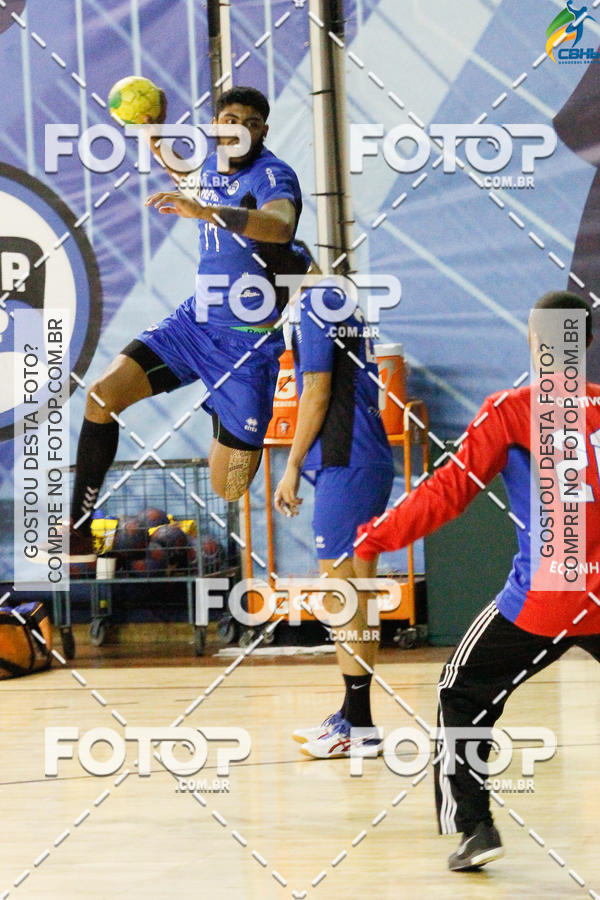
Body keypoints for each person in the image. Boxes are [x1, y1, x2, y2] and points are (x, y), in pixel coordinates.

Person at [354, 291, 600, 870]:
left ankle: (475, 829)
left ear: (534, 342)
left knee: (459, 691)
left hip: (544, 599)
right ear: (586, 343)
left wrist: (374, 537)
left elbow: (447, 493)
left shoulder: (511, 412)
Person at [66, 86, 310, 561]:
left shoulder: (273, 174)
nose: (239, 129)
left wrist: (207, 212)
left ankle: (228, 413)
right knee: (101, 397)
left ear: (263, 130)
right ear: (216, 126)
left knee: (228, 487)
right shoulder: (212, 170)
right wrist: (154, 135)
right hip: (194, 326)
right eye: (229, 120)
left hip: (246, 349)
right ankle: (77, 529)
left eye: (251, 123)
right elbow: (188, 176)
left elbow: (280, 225)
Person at [274, 282, 394, 758]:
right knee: (357, 594)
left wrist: (291, 465)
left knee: (342, 595)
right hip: (362, 460)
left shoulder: (314, 301)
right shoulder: (335, 300)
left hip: (347, 462)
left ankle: (357, 727)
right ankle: (353, 718)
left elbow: (317, 391)